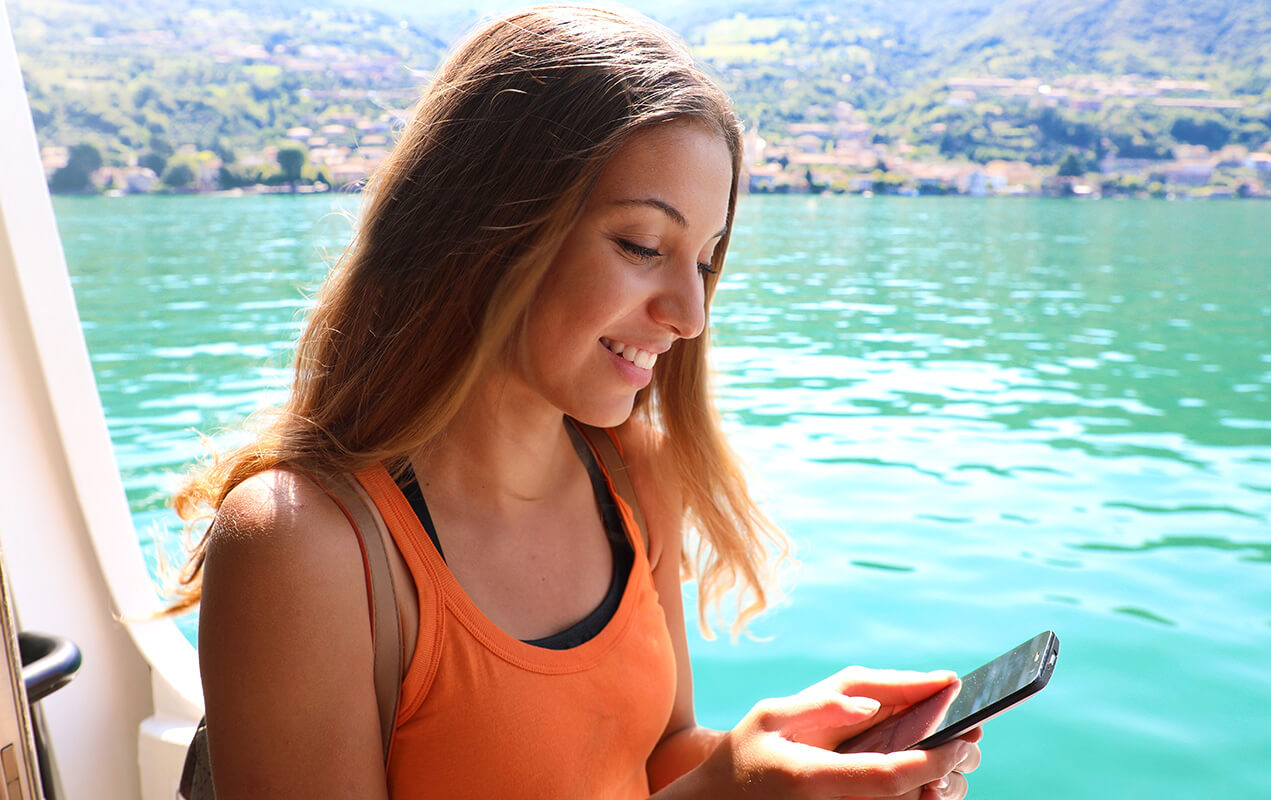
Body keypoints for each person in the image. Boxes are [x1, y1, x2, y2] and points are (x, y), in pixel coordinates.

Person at [167, 5, 981, 798]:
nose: (691, 315)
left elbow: (656, 756)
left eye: (704, 260)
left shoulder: (633, 474)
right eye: (641, 246)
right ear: (484, 224)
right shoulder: (305, 546)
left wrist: (785, 761)